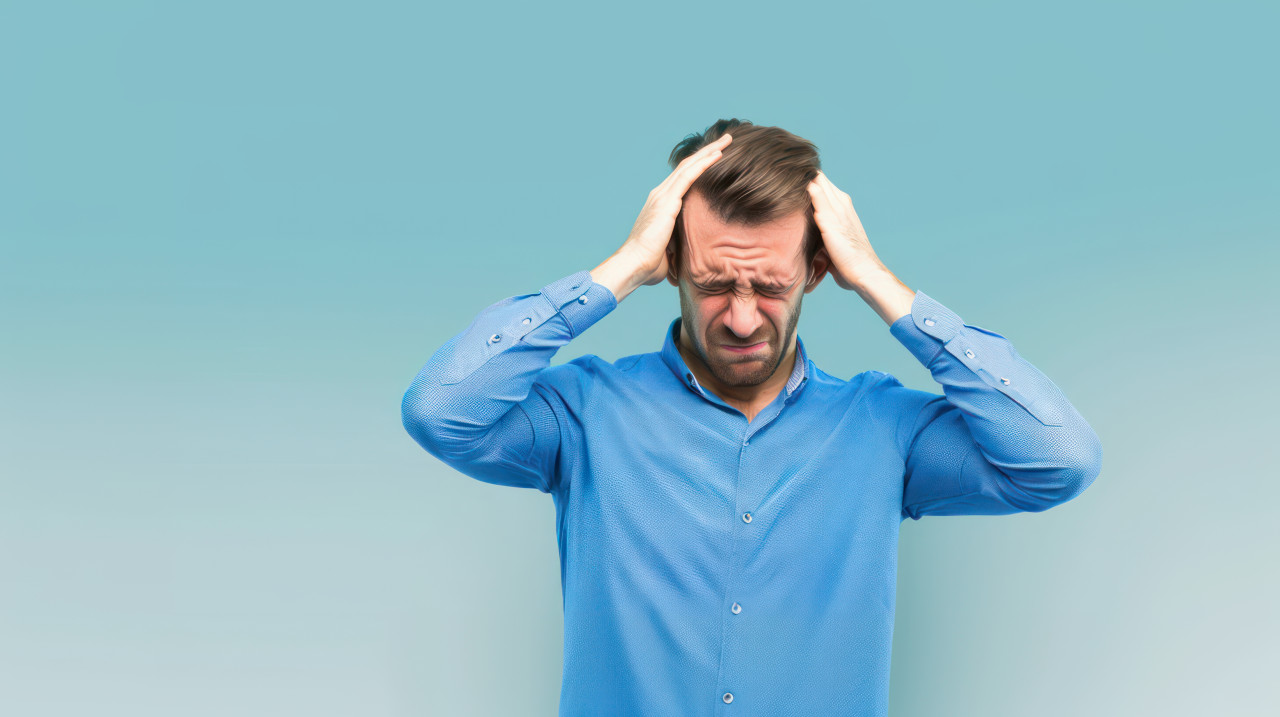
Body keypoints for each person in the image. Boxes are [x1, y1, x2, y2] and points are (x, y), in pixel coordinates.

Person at [401, 118, 1102, 716]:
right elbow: (442, 409)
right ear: (671, 263)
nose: (741, 318)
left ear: (818, 271)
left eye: (770, 285)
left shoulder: (884, 427)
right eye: (712, 283)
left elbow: (1057, 457)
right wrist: (617, 269)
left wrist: (880, 281)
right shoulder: (583, 413)